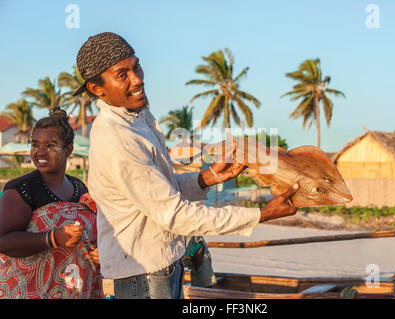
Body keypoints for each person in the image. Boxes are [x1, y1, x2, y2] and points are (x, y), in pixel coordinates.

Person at [74, 32, 298, 299]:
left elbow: (160, 190)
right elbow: (175, 214)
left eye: (137, 67)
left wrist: (209, 177)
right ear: (96, 88)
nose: (138, 79)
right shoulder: (117, 137)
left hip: (163, 262)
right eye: (122, 74)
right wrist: (260, 215)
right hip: (144, 274)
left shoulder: (138, 116)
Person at [0, 108, 102, 299]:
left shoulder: (80, 188)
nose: (40, 152)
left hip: (75, 290)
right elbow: (3, 241)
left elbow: (91, 234)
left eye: (50, 145)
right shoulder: (21, 188)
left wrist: (98, 252)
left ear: (68, 150)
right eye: (35, 144)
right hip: (27, 291)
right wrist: (53, 238)